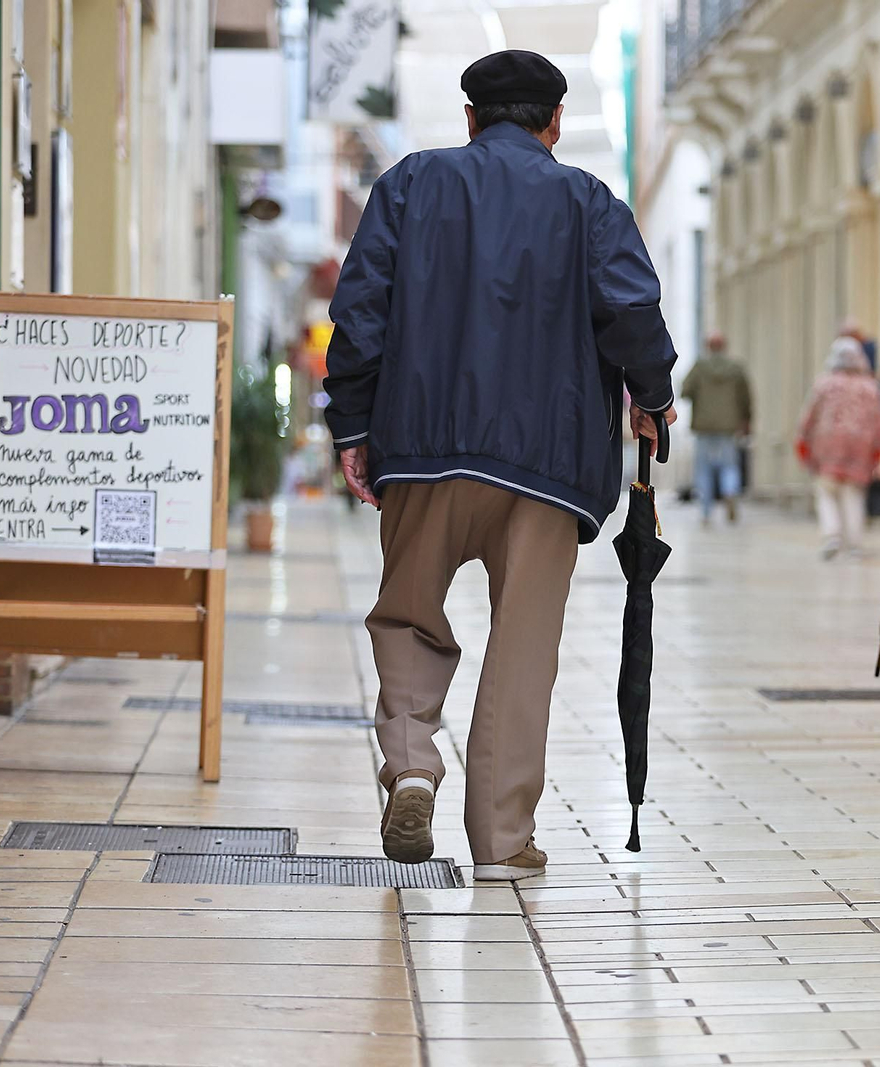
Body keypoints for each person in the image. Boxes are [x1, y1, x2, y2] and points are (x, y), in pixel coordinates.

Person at [324, 50, 677, 879]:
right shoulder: (589, 201)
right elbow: (630, 310)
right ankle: (501, 841)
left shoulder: (410, 184)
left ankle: (411, 763)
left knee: (408, 614)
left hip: (421, 448)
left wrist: (351, 425)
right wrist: (650, 398)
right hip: (547, 468)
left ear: (472, 119)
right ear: (554, 125)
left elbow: (360, 311)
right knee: (523, 648)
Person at [795, 337, 880, 559]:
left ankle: (832, 535)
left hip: (826, 443)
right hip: (861, 446)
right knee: (854, 492)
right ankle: (854, 541)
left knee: (826, 490)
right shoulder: (870, 387)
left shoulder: (824, 384)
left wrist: (802, 439)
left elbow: (809, 416)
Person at [680, 331, 753, 525]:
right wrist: (747, 419)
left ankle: (705, 510)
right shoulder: (736, 369)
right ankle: (730, 491)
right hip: (729, 425)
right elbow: (746, 398)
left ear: (708, 347)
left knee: (703, 469)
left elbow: (685, 391)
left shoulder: (700, 367)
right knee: (729, 465)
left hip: (703, 425)